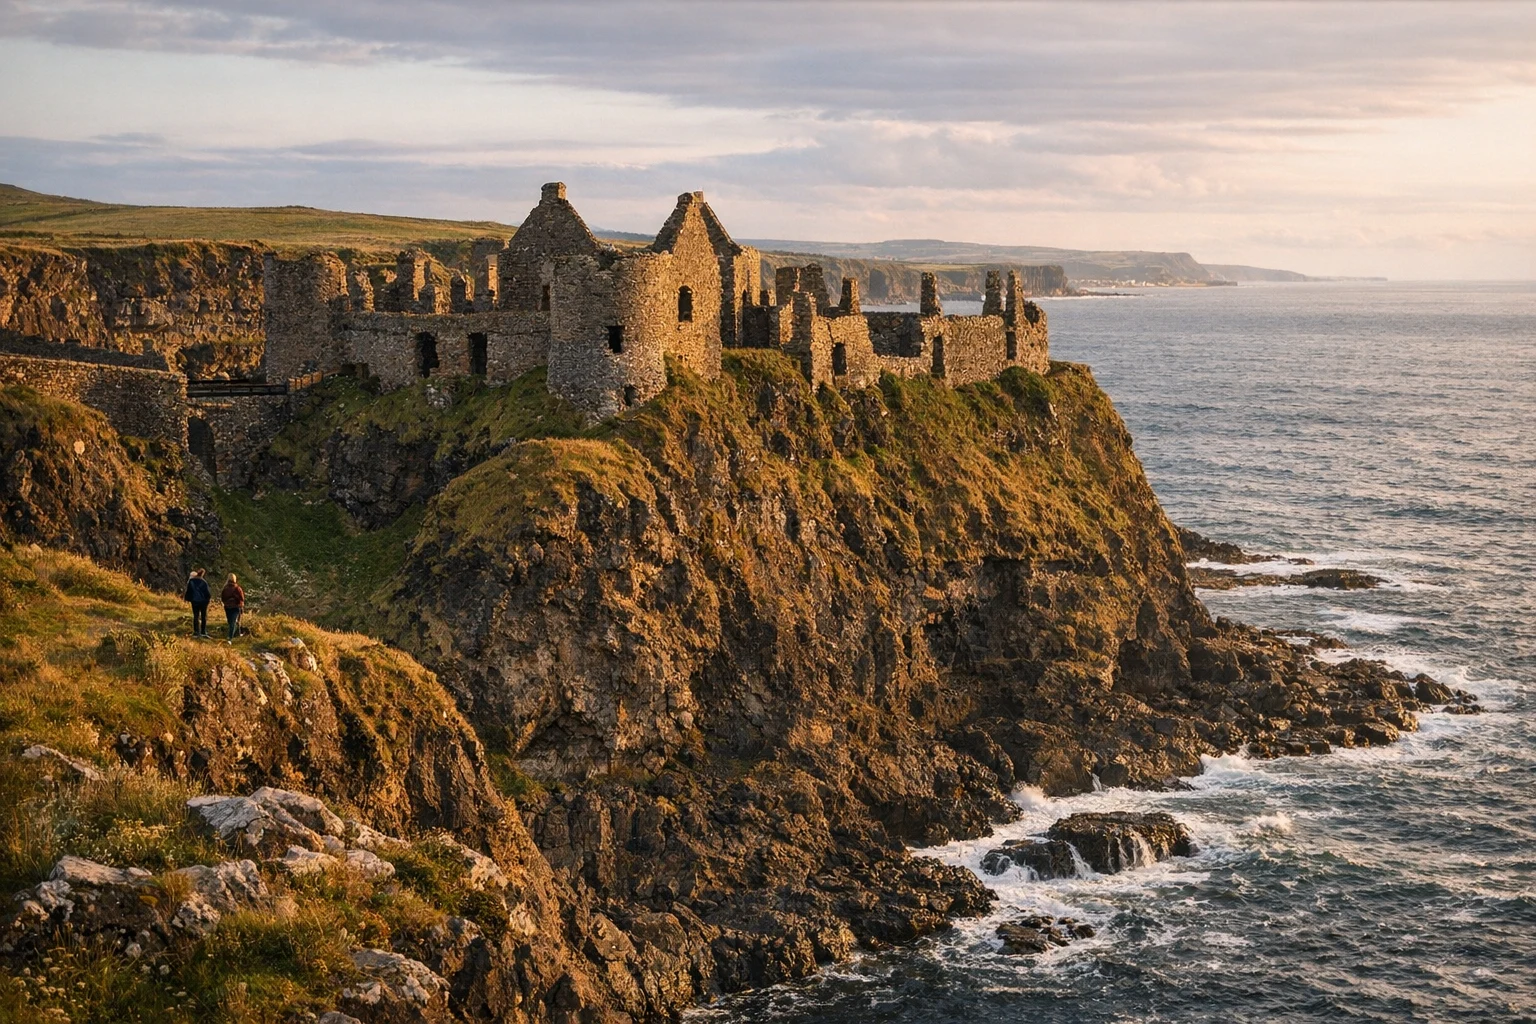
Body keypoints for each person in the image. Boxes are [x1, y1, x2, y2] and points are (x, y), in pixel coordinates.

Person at [183, 568, 211, 638]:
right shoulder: (204, 582)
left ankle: (196, 631)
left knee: (196, 616)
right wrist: (207, 600)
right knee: (203, 616)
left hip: (194, 601)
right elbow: (207, 593)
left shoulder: (191, 581)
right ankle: (203, 631)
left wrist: (188, 599)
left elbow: (189, 591)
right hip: (203, 602)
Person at [220, 573, 245, 641]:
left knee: (230, 621)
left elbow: (223, 598)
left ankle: (232, 635)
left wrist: (226, 603)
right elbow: (242, 598)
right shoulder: (237, 588)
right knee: (233, 622)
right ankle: (230, 638)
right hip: (236, 607)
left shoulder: (225, 588)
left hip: (227, 607)